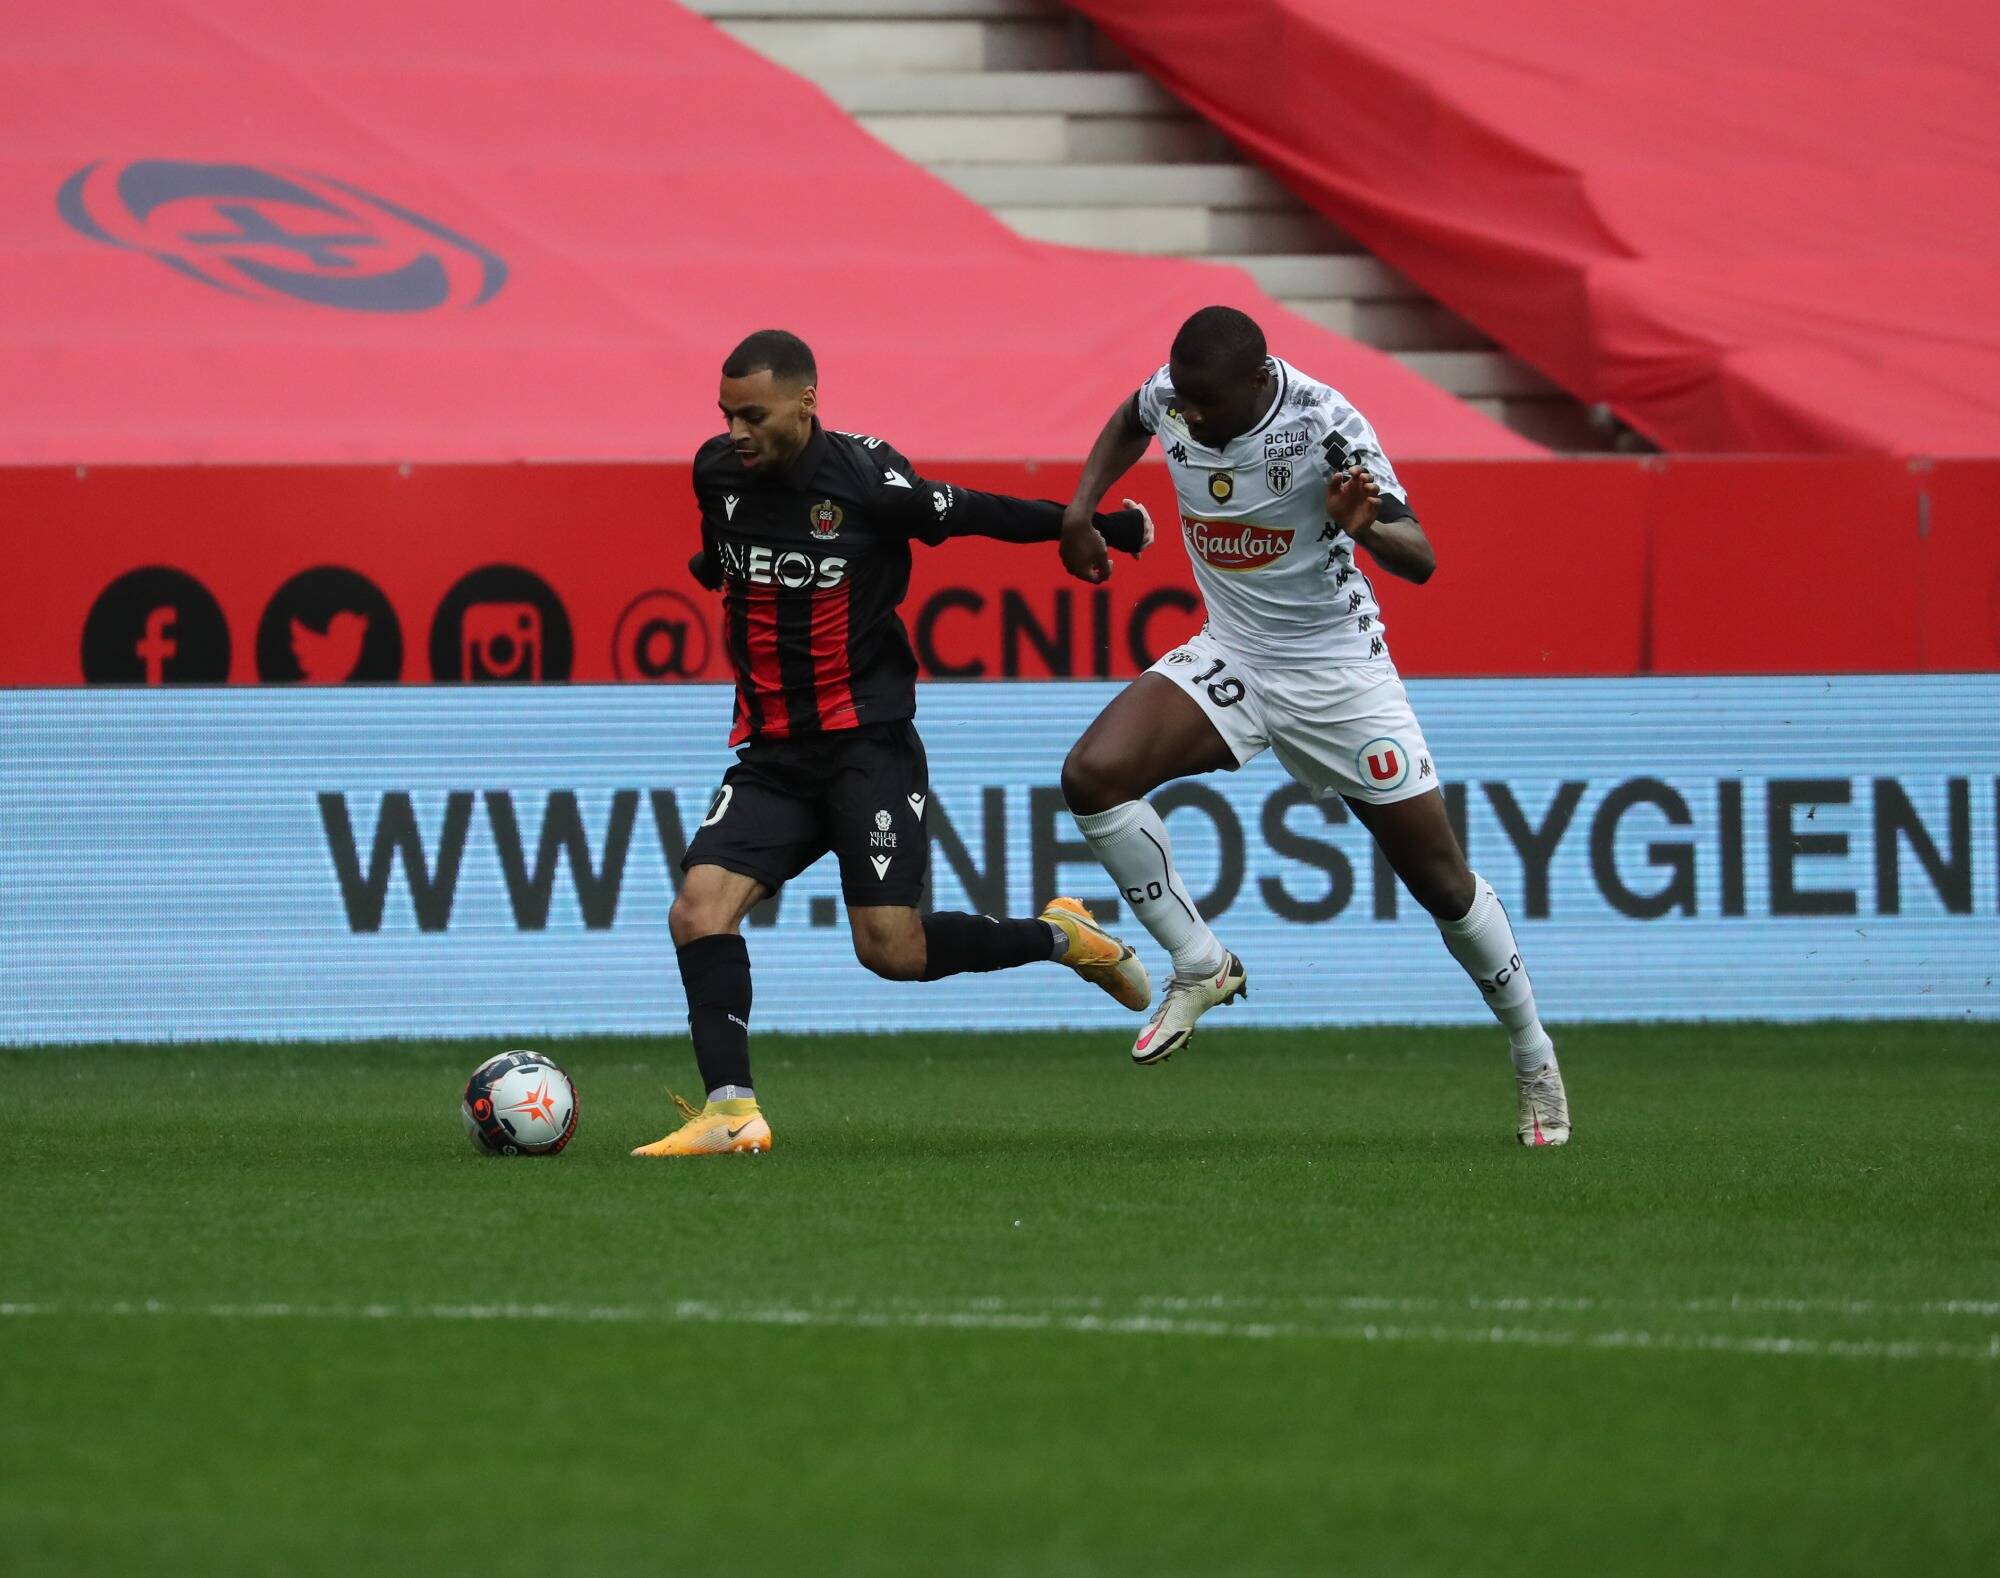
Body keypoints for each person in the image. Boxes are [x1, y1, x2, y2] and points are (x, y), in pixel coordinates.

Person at [1054, 306, 1572, 1146]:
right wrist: (1082, 509)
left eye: (1207, 405)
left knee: (1441, 883)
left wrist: (1367, 529)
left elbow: (1422, 556)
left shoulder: (1325, 427)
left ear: (1259, 381)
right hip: (1234, 654)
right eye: (1182, 400)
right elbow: (1128, 418)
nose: (1191, 417)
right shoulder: (1174, 397)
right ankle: (1200, 963)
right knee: (1092, 775)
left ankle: (1532, 1052)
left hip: (1337, 673)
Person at [635, 329, 1155, 1158]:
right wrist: (714, 567)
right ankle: (731, 1112)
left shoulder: (870, 482)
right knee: (698, 912)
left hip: (866, 746)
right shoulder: (717, 472)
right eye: (727, 413)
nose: (736, 431)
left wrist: (1090, 526)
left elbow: (977, 512)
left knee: (891, 951)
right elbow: (721, 548)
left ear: (806, 403)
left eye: (754, 414)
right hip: (772, 750)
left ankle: (1065, 937)